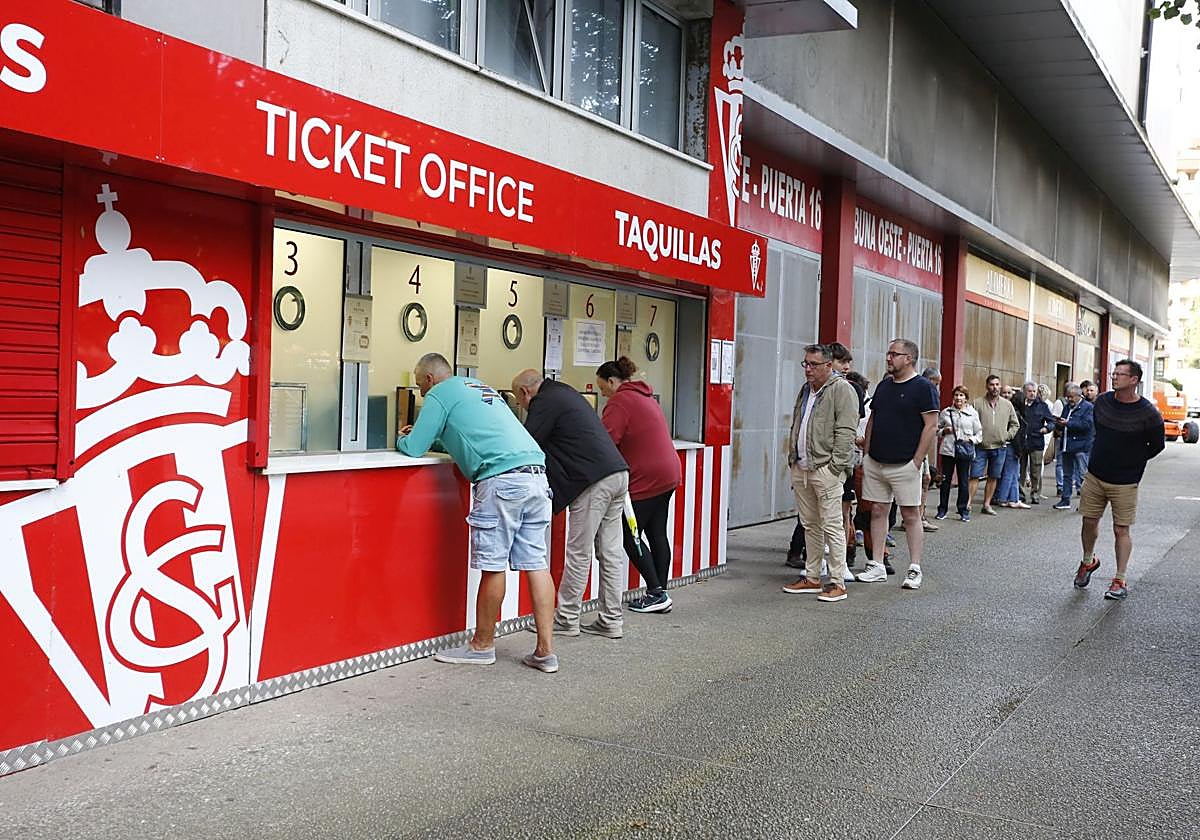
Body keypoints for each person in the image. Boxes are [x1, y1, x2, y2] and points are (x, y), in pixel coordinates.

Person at [397, 353, 558, 673]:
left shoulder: (439, 394)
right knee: (537, 563)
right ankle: (545, 651)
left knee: (493, 564)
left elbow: (415, 447)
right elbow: (471, 437)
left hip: (502, 483)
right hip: (537, 477)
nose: (422, 395)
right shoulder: (478, 387)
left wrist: (404, 437)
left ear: (429, 380)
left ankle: (482, 645)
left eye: (420, 387)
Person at [512, 369, 630, 639]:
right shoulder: (564, 392)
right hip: (617, 474)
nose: (521, 406)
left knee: (579, 551)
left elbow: (526, 443)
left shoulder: (543, 401)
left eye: (519, 402)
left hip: (592, 481)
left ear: (524, 393)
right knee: (610, 553)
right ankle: (612, 620)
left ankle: (566, 618)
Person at [1071, 360, 1164, 599]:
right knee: (1089, 522)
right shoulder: (1102, 402)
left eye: (1121, 374)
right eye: (1114, 373)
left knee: (1121, 529)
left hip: (1125, 480)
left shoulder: (1148, 413)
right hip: (1095, 475)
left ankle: (1119, 580)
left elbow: (1156, 445)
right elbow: (1100, 431)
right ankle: (1088, 561)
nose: (1115, 377)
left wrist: (1132, 460)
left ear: (1134, 380)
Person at [596, 357, 681, 613]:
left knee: (629, 534)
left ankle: (655, 592)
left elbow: (606, 441)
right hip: (668, 473)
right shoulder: (645, 396)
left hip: (646, 478)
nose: (603, 395)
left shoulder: (620, 401)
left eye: (602, 388)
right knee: (656, 533)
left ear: (612, 382)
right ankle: (660, 592)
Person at [780, 344, 860, 602]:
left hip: (825, 468)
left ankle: (837, 582)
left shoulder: (842, 390)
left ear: (829, 366)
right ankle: (813, 577)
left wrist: (835, 466)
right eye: (805, 363)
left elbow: (846, 432)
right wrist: (794, 459)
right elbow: (798, 423)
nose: (808, 369)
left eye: (813, 364)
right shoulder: (806, 390)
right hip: (802, 466)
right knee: (809, 524)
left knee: (832, 524)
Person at [856, 339, 938, 590]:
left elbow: (931, 425)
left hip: (905, 463)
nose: (888, 358)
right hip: (877, 461)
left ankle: (914, 568)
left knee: (911, 514)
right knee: (878, 510)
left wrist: (916, 461)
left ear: (909, 358)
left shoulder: (924, 388)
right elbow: (873, 419)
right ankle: (877, 564)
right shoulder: (884, 386)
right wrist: (867, 453)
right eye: (888, 353)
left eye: (894, 354)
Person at [969, 375, 1019, 515]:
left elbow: (1015, 424)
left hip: (1000, 447)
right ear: (987, 386)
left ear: (1000, 386)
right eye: (991, 384)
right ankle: (968, 504)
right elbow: (970, 423)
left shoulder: (1007, 405)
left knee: (993, 476)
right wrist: (974, 438)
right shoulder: (977, 403)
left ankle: (987, 505)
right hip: (980, 447)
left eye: (997, 384)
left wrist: (1006, 436)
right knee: (974, 476)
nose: (995, 387)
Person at [935, 386, 982, 521]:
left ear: (966, 398)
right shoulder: (946, 412)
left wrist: (970, 439)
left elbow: (979, 433)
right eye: (956, 395)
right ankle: (942, 509)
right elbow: (935, 429)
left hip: (965, 451)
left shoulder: (973, 413)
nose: (958, 398)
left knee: (963, 481)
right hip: (948, 451)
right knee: (945, 481)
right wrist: (944, 431)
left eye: (961, 395)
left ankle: (963, 510)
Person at [1053, 383, 1094, 511]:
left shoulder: (1087, 407)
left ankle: (1085, 502)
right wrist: (1058, 424)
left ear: (1078, 395)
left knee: (1082, 476)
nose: (1069, 399)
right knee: (1067, 475)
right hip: (1066, 445)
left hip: (1080, 447)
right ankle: (1065, 500)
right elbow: (1063, 423)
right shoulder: (1067, 407)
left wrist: (1068, 423)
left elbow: (1087, 425)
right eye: (1067, 397)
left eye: (1071, 397)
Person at [1017, 381, 1055, 504]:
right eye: (1030, 391)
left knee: (1036, 470)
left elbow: (1052, 422)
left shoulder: (1042, 406)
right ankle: (1020, 493)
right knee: (1021, 470)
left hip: (1036, 441)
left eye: (1034, 391)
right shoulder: (1019, 405)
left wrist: (1047, 428)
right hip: (1021, 442)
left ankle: (1035, 494)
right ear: (1024, 392)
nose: (1032, 393)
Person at [918, 367, 942, 531]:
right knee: (919, 481)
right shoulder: (921, 392)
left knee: (926, 479)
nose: (937, 388)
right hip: (916, 446)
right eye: (935, 383)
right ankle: (914, 518)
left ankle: (921, 515)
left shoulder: (930, 394)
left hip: (924, 447)